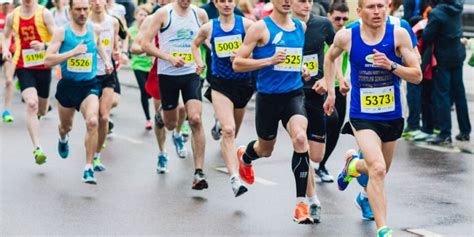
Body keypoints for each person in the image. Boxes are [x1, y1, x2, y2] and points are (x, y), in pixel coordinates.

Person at [323, 0, 422, 236]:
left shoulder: (398, 34)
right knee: (377, 169)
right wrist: (331, 91)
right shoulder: (347, 36)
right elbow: (329, 58)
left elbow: (417, 75)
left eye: (380, 6)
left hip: (392, 115)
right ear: (359, 11)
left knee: (379, 169)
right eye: (370, 7)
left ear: (387, 8)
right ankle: (383, 229)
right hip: (362, 115)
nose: (376, 11)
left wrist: (391, 66)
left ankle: (353, 165)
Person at [233, 0, 314, 224]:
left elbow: (293, 58)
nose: (288, 1)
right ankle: (246, 156)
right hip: (268, 98)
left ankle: (301, 205)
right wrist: (268, 60)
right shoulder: (260, 28)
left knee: (300, 138)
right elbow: (238, 63)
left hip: (293, 93)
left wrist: (302, 67)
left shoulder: (301, 27)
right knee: (265, 149)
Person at [141, 0, 210, 190]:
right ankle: (162, 117)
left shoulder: (200, 15)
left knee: (195, 118)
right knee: (170, 123)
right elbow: (145, 44)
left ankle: (198, 172)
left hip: (192, 74)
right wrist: (168, 57)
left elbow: (208, 40)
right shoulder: (163, 14)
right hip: (168, 75)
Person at [44, 0, 113, 184]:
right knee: (66, 126)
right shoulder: (62, 32)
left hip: (89, 85)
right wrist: (72, 52)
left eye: (85, 9)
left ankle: (88, 168)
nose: (82, 13)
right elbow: (47, 60)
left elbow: (99, 46)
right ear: (70, 11)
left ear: (89, 10)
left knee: (92, 121)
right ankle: (63, 137)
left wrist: (106, 61)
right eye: (78, 9)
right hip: (67, 87)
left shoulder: (95, 29)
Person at [191, 0, 253, 197]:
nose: (227, 4)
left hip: (244, 85)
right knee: (228, 130)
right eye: (222, 1)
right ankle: (235, 179)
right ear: (215, 4)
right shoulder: (209, 27)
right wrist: (199, 62)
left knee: (233, 134)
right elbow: (195, 44)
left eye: (230, 0)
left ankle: (238, 155)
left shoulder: (247, 25)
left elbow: (261, 47)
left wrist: (244, 58)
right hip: (220, 84)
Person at [130, 0, 187, 174]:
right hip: (160, 72)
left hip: (184, 69)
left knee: (183, 107)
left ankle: (177, 134)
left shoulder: (189, 15)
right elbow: (135, 46)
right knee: (160, 119)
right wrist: (149, 49)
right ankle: (162, 153)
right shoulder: (152, 19)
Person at [290, 0, 335, 223]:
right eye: (301, 1)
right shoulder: (283, 26)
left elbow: (335, 53)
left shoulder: (323, 25)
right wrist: (295, 67)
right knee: (301, 143)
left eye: (310, 0)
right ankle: (311, 199)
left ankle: (310, 196)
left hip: (316, 92)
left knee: (316, 155)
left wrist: (329, 81)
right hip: (292, 93)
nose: (307, 5)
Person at [2, 0, 56, 165]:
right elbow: (6, 36)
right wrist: (5, 50)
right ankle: (37, 148)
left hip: (44, 65)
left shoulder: (45, 14)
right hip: (23, 65)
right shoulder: (13, 16)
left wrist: (44, 45)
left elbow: (57, 38)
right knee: (31, 104)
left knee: (42, 109)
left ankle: (40, 114)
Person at [423, 0, 470, 144]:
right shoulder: (458, 7)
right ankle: (465, 131)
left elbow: (427, 36)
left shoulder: (436, 14)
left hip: (443, 58)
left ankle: (444, 134)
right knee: (459, 93)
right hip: (458, 55)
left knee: (442, 95)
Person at [314, 0, 351, 183]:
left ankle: (321, 165)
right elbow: (328, 59)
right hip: (321, 86)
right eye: (337, 18)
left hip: (339, 88)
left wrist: (345, 79)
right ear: (329, 16)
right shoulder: (323, 33)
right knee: (330, 119)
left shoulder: (347, 35)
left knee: (336, 129)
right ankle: (313, 155)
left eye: (345, 18)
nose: (341, 22)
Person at [89, 0, 121, 172]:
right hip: (89, 74)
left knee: (104, 117)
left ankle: (97, 156)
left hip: (108, 73)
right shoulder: (85, 23)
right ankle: (89, 149)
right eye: (93, 0)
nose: (97, 3)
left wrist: (118, 54)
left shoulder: (113, 22)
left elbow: (115, 47)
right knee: (92, 119)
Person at [129, 5, 153, 130]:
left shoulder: (152, 30)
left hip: (150, 65)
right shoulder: (131, 31)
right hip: (137, 65)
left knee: (150, 92)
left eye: (145, 15)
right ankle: (148, 119)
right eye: (140, 15)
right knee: (144, 91)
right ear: (135, 16)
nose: (143, 17)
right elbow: (126, 45)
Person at [0, 0, 15, 123]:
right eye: (3, 3)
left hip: (9, 53)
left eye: (7, 3)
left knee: (9, 80)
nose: (5, 5)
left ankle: (6, 111)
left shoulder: (14, 18)